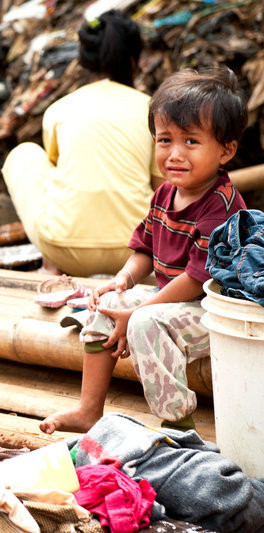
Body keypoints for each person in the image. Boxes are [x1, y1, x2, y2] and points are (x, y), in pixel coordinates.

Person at [39, 67, 247, 435]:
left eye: (191, 142)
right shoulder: (165, 194)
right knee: (109, 305)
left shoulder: (221, 205)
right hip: (170, 301)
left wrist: (140, 308)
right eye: (165, 140)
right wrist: (122, 281)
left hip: (212, 311)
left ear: (226, 150)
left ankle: (178, 426)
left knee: (143, 321)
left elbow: (197, 281)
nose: (175, 154)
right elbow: (145, 251)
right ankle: (89, 410)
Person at [1, 10, 163, 276]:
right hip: (139, 252)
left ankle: (49, 265)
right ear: (134, 60)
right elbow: (163, 190)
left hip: (65, 250)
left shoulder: (59, 109)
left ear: (84, 61)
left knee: (25, 154)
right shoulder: (152, 109)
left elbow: (56, 174)